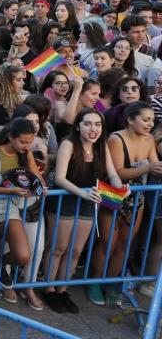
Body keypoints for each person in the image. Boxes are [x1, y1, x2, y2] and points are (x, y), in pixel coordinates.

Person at [43, 109, 121, 314]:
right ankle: (49, 289)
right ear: (78, 125)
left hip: (87, 202)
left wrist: (120, 188)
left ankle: (62, 289)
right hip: (64, 200)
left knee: (76, 251)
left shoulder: (102, 146)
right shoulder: (68, 144)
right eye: (87, 124)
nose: (93, 129)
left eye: (97, 124)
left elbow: (113, 174)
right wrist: (82, 194)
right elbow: (59, 178)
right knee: (58, 248)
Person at [88, 102, 162, 306]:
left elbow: (155, 166)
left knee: (124, 244)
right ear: (131, 119)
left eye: (152, 121)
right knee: (107, 243)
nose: (150, 124)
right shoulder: (115, 138)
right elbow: (119, 172)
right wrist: (147, 168)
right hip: (112, 195)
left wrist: (153, 168)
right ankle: (94, 282)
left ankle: (110, 283)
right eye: (145, 119)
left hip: (136, 198)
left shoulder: (149, 140)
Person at [0, 117, 45, 306]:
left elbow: (39, 183)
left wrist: (39, 184)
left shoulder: (26, 153)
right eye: (23, 142)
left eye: (30, 142)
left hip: (10, 208)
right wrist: (9, 191)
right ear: (10, 136)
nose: (26, 146)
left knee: (23, 255)